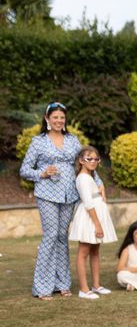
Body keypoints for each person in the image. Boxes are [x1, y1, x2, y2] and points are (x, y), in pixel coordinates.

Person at [19, 102, 103, 300]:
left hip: (70, 194)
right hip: (47, 193)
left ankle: (62, 284)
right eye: (55, 117)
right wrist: (43, 172)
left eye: (62, 117)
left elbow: (87, 161)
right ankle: (42, 287)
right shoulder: (38, 142)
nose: (59, 120)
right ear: (47, 119)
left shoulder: (73, 140)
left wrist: (98, 182)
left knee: (62, 237)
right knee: (50, 235)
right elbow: (24, 170)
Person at [68, 146, 117, 299]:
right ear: (81, 161)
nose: (94, 161)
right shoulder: (82, 178)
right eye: (90, 159)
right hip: (90, 218)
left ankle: (96, 285)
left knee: (95, 251)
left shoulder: (90, 177)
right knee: (83, 252)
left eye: (96, 159)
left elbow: (96, 195)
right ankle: (84, 289)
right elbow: (88, 202)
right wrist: (97, 224)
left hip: (97, 214)